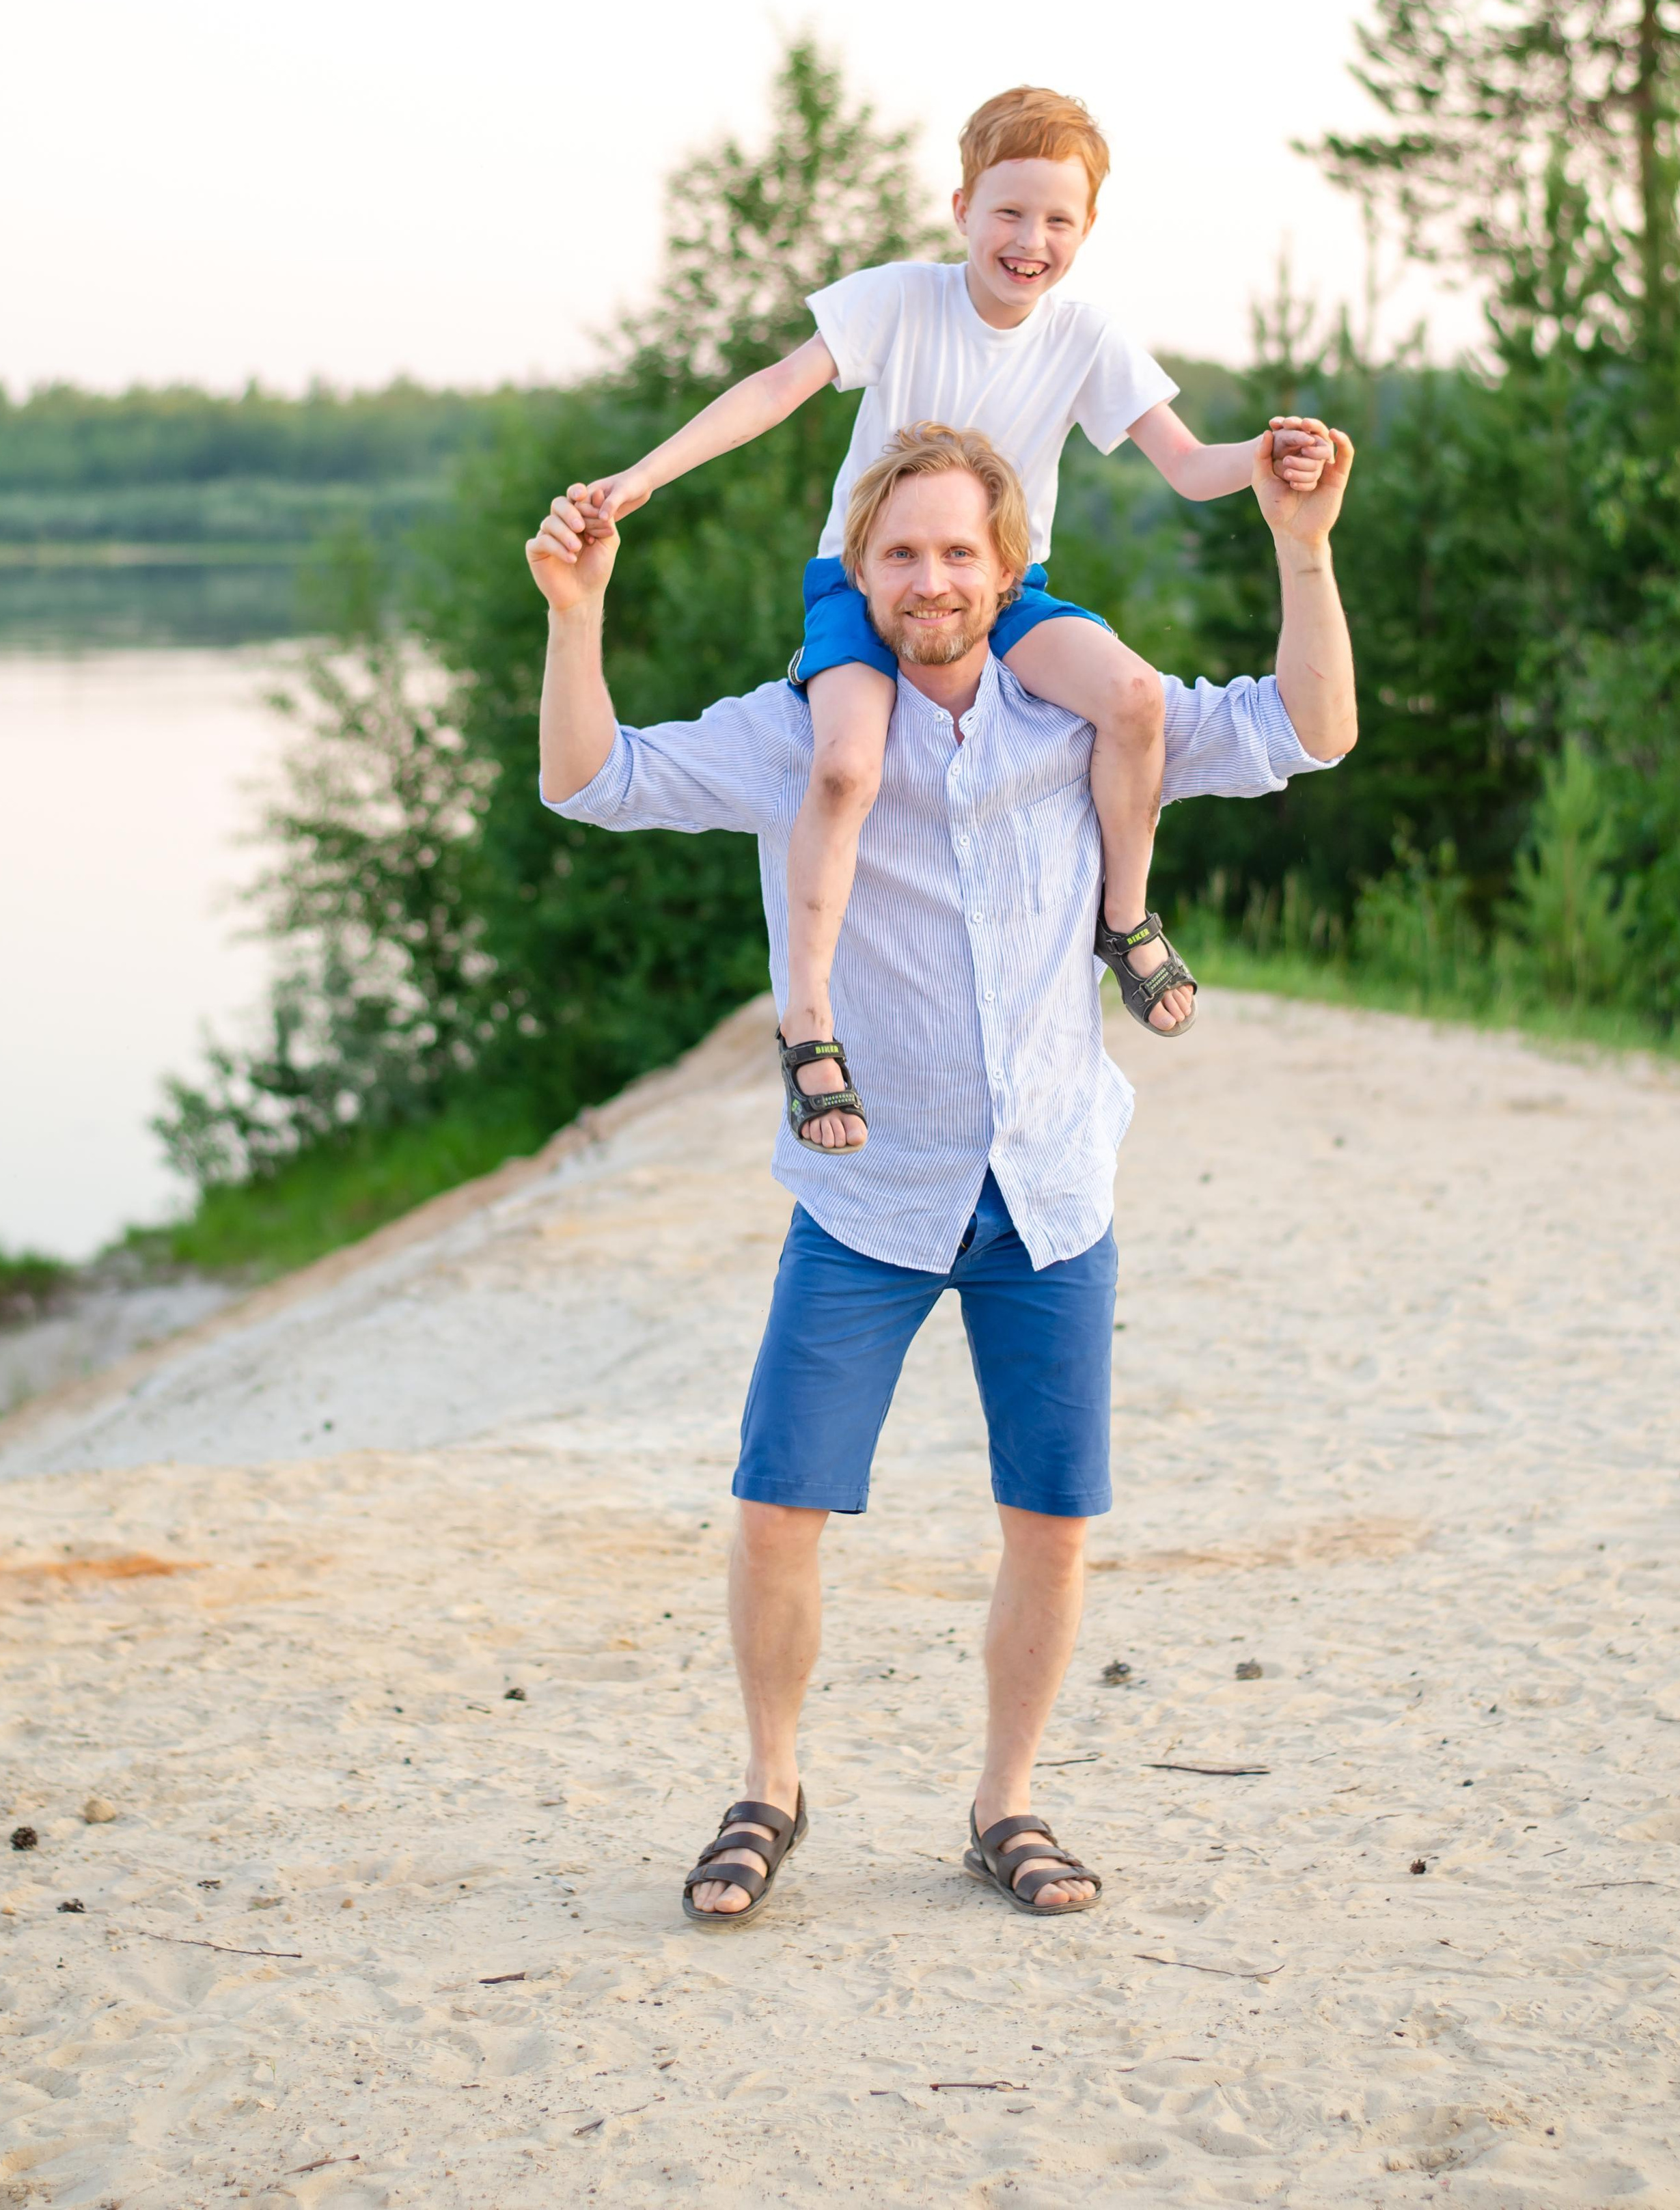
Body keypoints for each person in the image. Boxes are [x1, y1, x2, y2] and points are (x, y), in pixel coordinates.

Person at [527, 417, 1356, 1925]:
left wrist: (1299, 551)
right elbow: (595, 779)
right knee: (780, 1502)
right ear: (859, 569)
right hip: (865, 1200)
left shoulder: (1082, 727)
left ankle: (1005, 1802)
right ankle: (769, 1786)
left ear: (1007, 567)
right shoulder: (802, 736)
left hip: (1048, 1190)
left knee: (1049, 1517)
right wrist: (574, 619)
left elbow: (1310, 726)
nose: (928, 577)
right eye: (898, 553)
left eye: (955, 551)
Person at [569, 85, 1336, 1152]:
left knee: (1129, 696)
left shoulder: (1085, 338)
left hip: (1007, 586)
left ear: (1086, 231)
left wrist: (1265, 458)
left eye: (1057, 221)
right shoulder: (900, 301)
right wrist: (645, 475)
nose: (1031, 241)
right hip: (866, 577)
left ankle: (1125, 920)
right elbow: (780, 385)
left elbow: (1187, 462)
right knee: (844, 768)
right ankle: (807, 1018)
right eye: (1009, 213)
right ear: (964, 208)